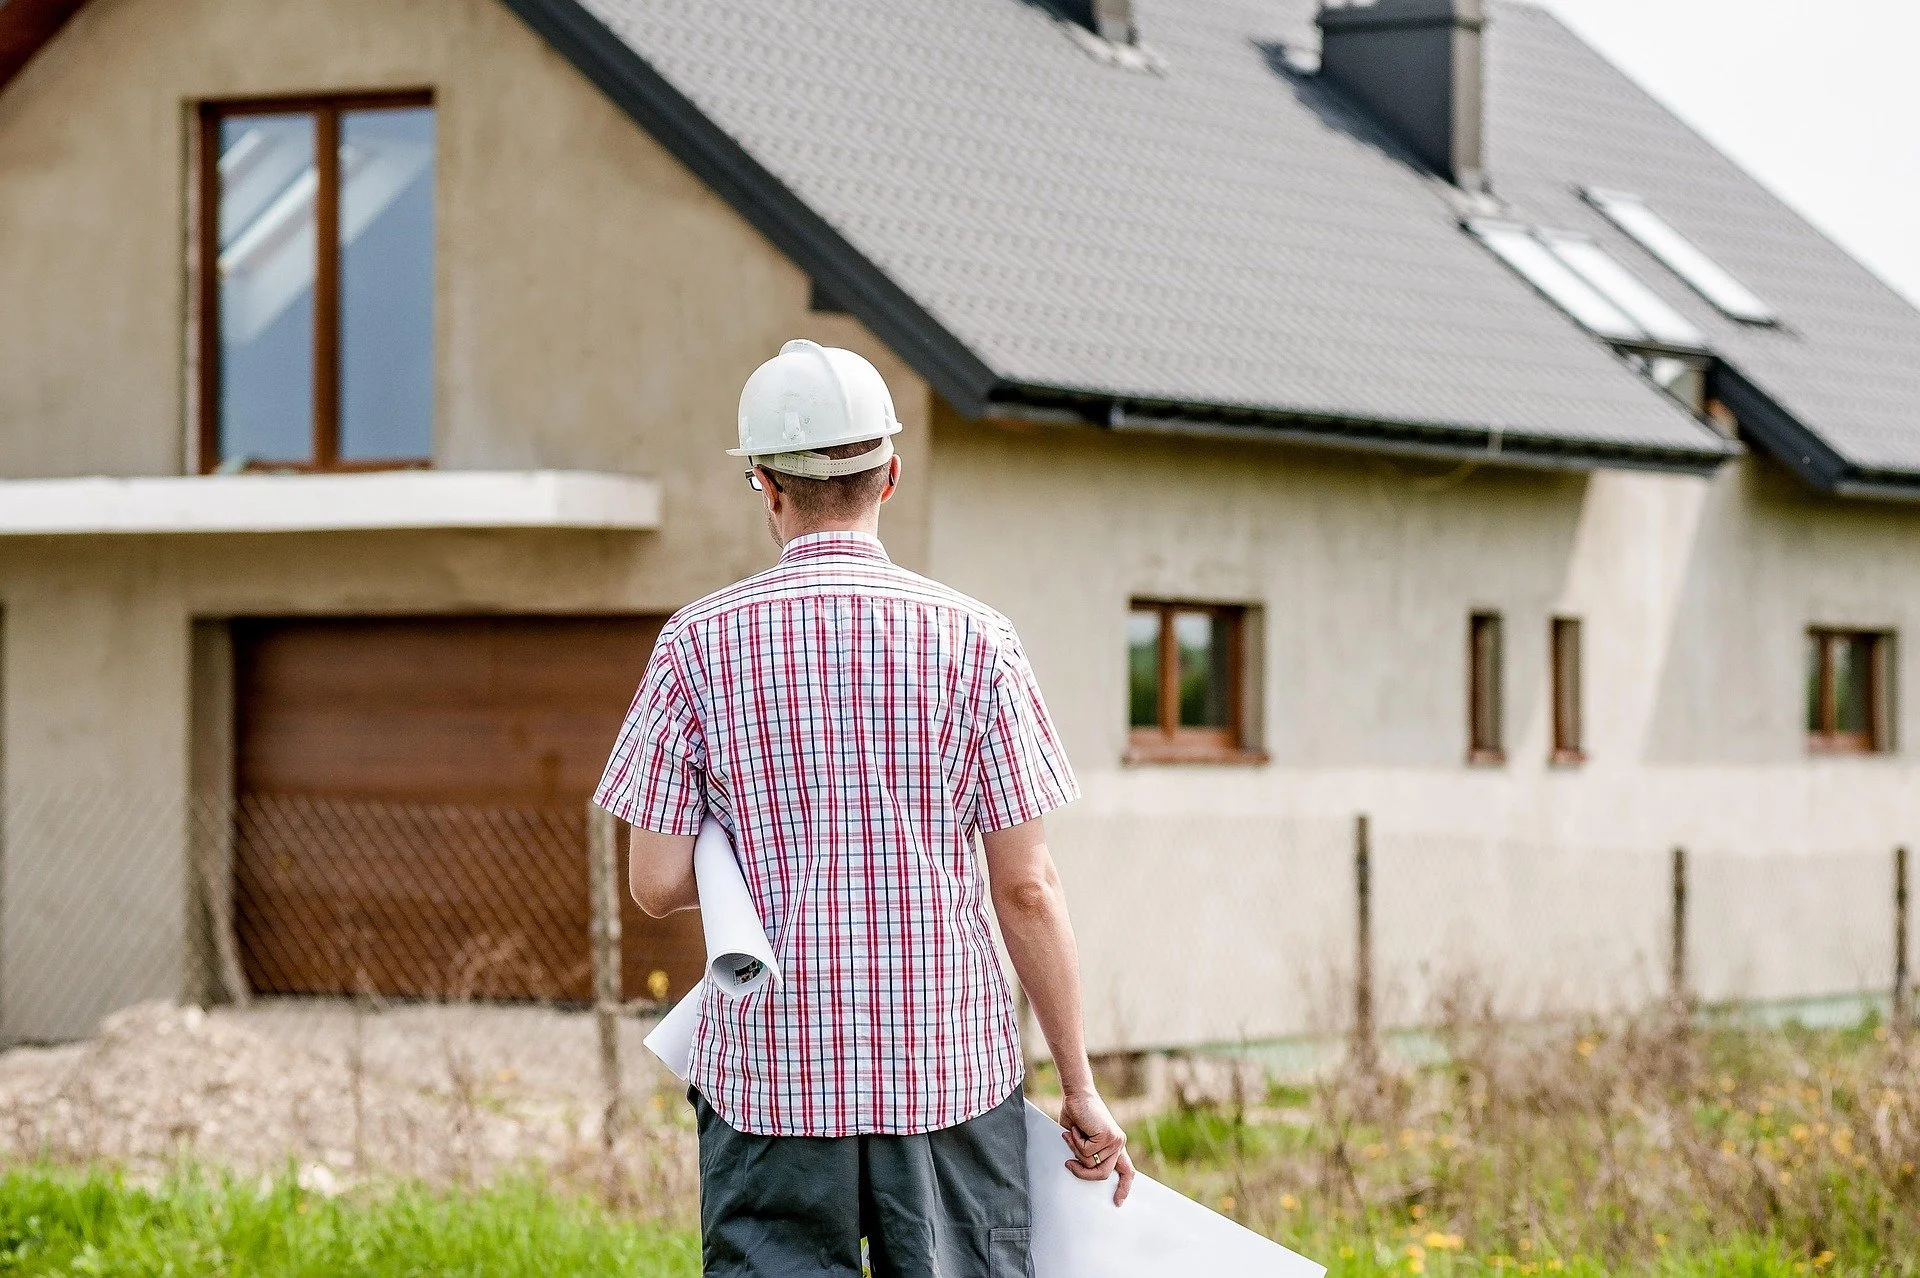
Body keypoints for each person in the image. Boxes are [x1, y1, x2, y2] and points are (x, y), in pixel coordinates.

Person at [595, 339, 1132, 1277]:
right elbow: (1030, 889)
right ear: (889, 474)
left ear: (765, 485)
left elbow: (654, 881)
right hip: (947, 1079)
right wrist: (1079, 1086)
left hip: (769, 1083)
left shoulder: (695, 645)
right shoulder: (978, 641)